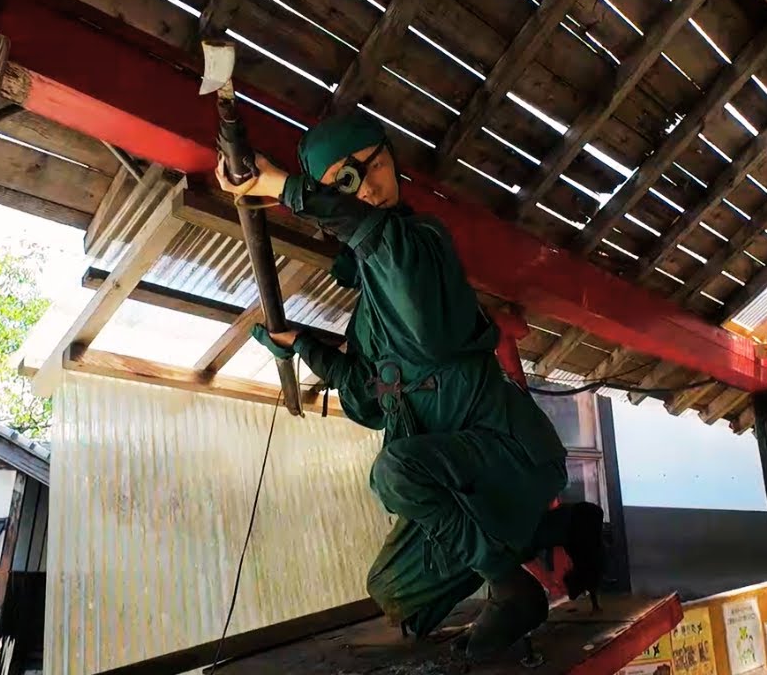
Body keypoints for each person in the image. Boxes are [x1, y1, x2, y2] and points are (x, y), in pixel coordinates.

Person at [215, 111, 604, 659]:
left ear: (392, 161)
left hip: (510, 455)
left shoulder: (420, 244)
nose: (368, 187)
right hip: (462, 476)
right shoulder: (368, 317)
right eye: (346, 181)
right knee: (396, 592)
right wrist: (302, 345)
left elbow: (379, 241)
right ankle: (560, 528)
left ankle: (511, 588)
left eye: (373, 166)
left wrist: (282, 186)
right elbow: (368, 399)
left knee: (394, 473)